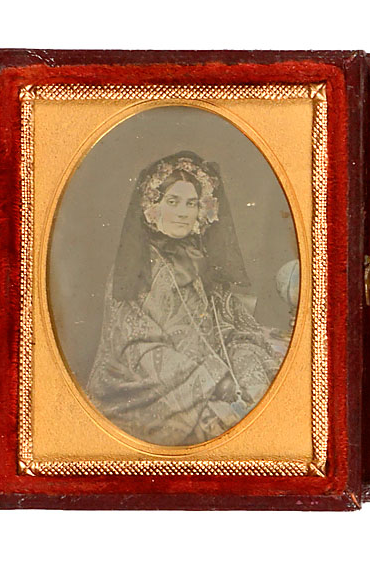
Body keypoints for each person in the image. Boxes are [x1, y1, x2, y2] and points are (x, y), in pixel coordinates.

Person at [85, 151, 291, 446]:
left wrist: (242, 366)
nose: (183, 212)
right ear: (152, 207)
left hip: (209, 376)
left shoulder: (199, 261)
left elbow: (224, 325)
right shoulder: (133, 268)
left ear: (201, 211)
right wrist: (213, 379)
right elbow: (136, 349)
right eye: (172, 202)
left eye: (191, 203)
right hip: (147, 391)